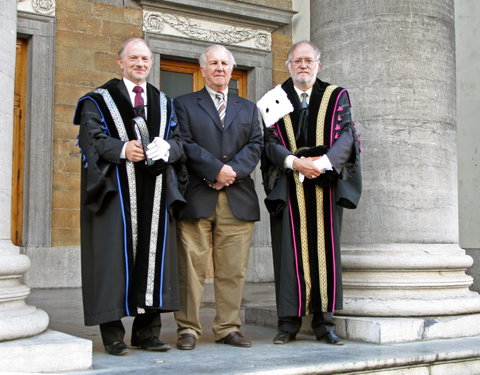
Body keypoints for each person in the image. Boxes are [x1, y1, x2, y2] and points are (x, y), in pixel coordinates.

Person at [73, 38, 186, 356]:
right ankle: (112, 335)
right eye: (133, 58)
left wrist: (169, 148)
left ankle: (147, 333)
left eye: (145, 59)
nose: (140, 63)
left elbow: (179, 140)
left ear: (151, 63)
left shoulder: (163, 101)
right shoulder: (98, 100)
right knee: (111, 260)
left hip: (155, 193)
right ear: (120, 62)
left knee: (153, 260)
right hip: (115, 194)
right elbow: (91, 139)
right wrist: (122, 149)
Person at [257, 40, 362, 345]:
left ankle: (324, 323)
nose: (302, 65)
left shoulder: (336, 95)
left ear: (318, 64)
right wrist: (295, 163)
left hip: (324, 185)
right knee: (289, 254)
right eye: (296, 61)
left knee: (325, 252)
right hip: (290, 185)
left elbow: (347, 135)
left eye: (308, 60)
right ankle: (287, 323)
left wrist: (324, 163)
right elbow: (268, 141)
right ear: (288, 65)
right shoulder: (274, 99)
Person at [173, 44, 263, 350]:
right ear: (203, 69)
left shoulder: (248, 109)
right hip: (197, 194)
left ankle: (227, 327)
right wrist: (214, 171)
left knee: (232, 268)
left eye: (225, 63)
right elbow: (183, 143)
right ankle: (188, 328)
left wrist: (231, 172)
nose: (219, 68)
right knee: (191, 267)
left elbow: (255, 145)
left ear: (231, 68)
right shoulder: (183, 104)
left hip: (237, 198)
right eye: (213, 63)